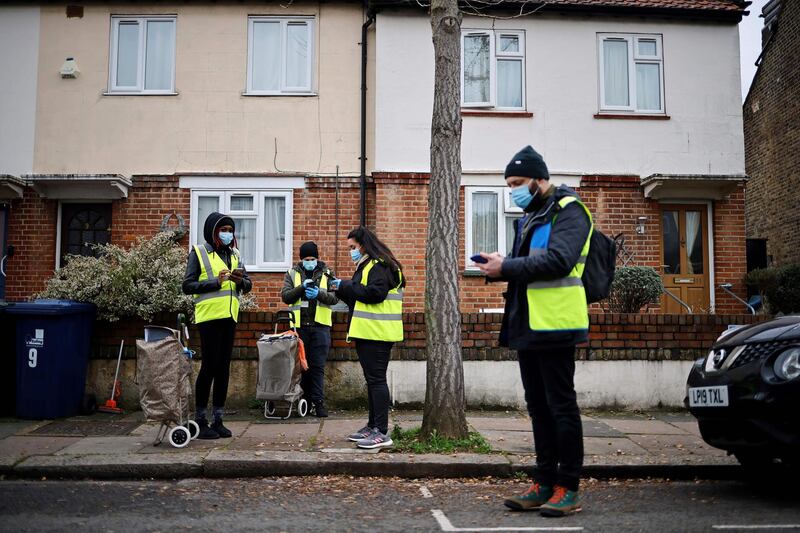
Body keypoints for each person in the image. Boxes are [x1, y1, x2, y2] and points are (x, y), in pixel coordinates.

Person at [477, 146, 592, 517]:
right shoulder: (530, 218)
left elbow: (559, 259)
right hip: (527, 325)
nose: (513, 190)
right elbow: (526, 268)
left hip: (557, 325)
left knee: (561, 407)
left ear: (541, 180)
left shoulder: (570, 211)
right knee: (538, 408)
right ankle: (543, 482)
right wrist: (499, 266)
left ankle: (568, 486)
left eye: (518, 183)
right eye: (509, 184)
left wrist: (506, 265)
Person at [331, 227, 405, 450]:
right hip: (369, 331)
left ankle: (381, 432)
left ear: (363, 245)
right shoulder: (369, 265)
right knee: (373, 381)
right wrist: (341, 288)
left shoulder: (378, 265)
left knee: (377, 381)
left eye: (353, 247)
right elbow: (359, 295)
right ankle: (373, 426)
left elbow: (375, 294)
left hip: (378, 333)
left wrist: (344, 285)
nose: (350, 252)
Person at [182, 212, 252, 440]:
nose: (228, 234)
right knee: (209, 367)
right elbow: (187, 285)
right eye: (224, 230)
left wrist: (240, 281)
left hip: (229, 317)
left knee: (223, 368)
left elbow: (248, 284)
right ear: (213, 231)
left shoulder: (235, 254)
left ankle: (218, 419)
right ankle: (200, 420)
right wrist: (216, 282)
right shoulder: (199, 252)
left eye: (231, 230)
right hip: (209, 318)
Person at [280, 241, 339, 417]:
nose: (310, 261)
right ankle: (304, 402)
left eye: (313, 258)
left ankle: (318, 403)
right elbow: (286, 296)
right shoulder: (292, 273)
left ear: (317, 257)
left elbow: (335, 298)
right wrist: (301, 288)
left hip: (320, 327)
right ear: (301, 259)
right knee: (301, 367)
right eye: (307, 258)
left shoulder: (328, 273)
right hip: (299, 328)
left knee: (318, 366)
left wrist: (319, 294)